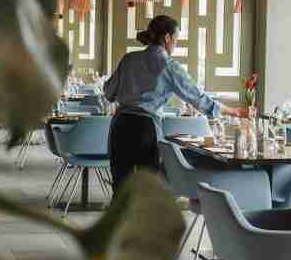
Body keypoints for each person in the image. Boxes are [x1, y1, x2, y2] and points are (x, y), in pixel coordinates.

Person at [103, 15, 246, 189]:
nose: (175, 45)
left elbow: (108, 92)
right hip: (145, 128)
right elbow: (197, 97)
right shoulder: (169, 66)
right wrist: (234, 112)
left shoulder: (129, 59)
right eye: (176, 40)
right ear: (167, 38)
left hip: (120, 126)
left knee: (119, 187)